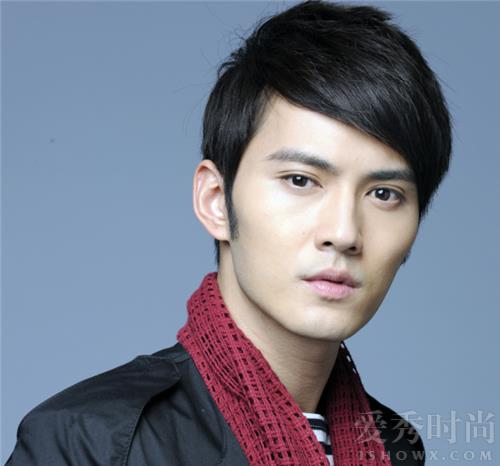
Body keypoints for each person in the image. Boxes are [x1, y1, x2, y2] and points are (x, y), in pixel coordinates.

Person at [6, 1, 451, 465]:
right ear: (216, 200)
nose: (343, 233)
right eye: (301, 180)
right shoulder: (89, 441)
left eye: (383, 194)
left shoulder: (395, 447)